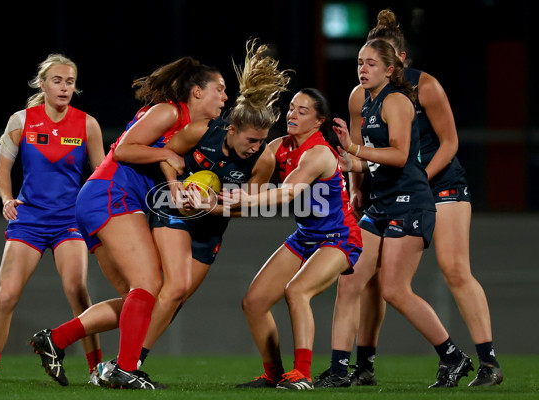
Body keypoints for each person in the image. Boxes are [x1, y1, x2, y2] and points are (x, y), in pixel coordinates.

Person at [90, 39, 291, 388]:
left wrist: (215, 204)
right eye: (251, 141)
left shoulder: (264, 160)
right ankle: (129, 365)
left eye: (262, 141)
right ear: (232, 129)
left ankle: (116, 361)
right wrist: (176, 188)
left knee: (175, 296)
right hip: (175, 213)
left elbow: (248, 204)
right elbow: (168, 156)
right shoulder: (200, 131)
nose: (255, 148)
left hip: (210, 228)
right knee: (170, 286)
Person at [323, 9, 503, 388]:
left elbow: (450, 143)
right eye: (364, 60)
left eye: (379, 59)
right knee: (365, 279)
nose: (368, 67)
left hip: (438, 182)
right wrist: (357, 189)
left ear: (398, 61)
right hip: (393, 186)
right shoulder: (362, 96)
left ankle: (488, 362)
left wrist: (416, 180)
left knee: (454, 269)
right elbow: (363, 151)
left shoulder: (426, 88)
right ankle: (364, 365)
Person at [29, 56, 228, 389]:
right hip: (110, 194)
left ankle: (56, 339)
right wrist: (164, 155)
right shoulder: (169, 111)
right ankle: (124, 371)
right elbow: (122, 150)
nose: (224, 97)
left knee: (140, 301)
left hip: (104, 199)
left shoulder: (190, 129)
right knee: (148, 286)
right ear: (196, 92)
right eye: (219, 90)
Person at [0, 54, 105, 386]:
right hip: (28, 219)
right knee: (6, 295)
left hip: (69, 221)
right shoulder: (20, 121)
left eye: (70, 82)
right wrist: (6, 199)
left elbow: (102, 177)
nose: (64, 87)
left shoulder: (87, 124)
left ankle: (96, 370)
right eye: (57, 81)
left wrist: (102, 218)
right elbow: (2, 172)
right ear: (42, 84)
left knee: (78, 292)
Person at [230, 88, 362, 390]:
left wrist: (241, 200)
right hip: (306, 237)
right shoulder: (279, 145)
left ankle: (301, 374)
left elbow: (289, 191)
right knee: (254, 302)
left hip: (339, 237)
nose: (292, 114)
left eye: (302, 111)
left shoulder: (318, 153)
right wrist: (216, 191)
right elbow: (250, 176)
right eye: (291, 108)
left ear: (318, 122)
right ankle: (274, 374)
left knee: (297, 291)